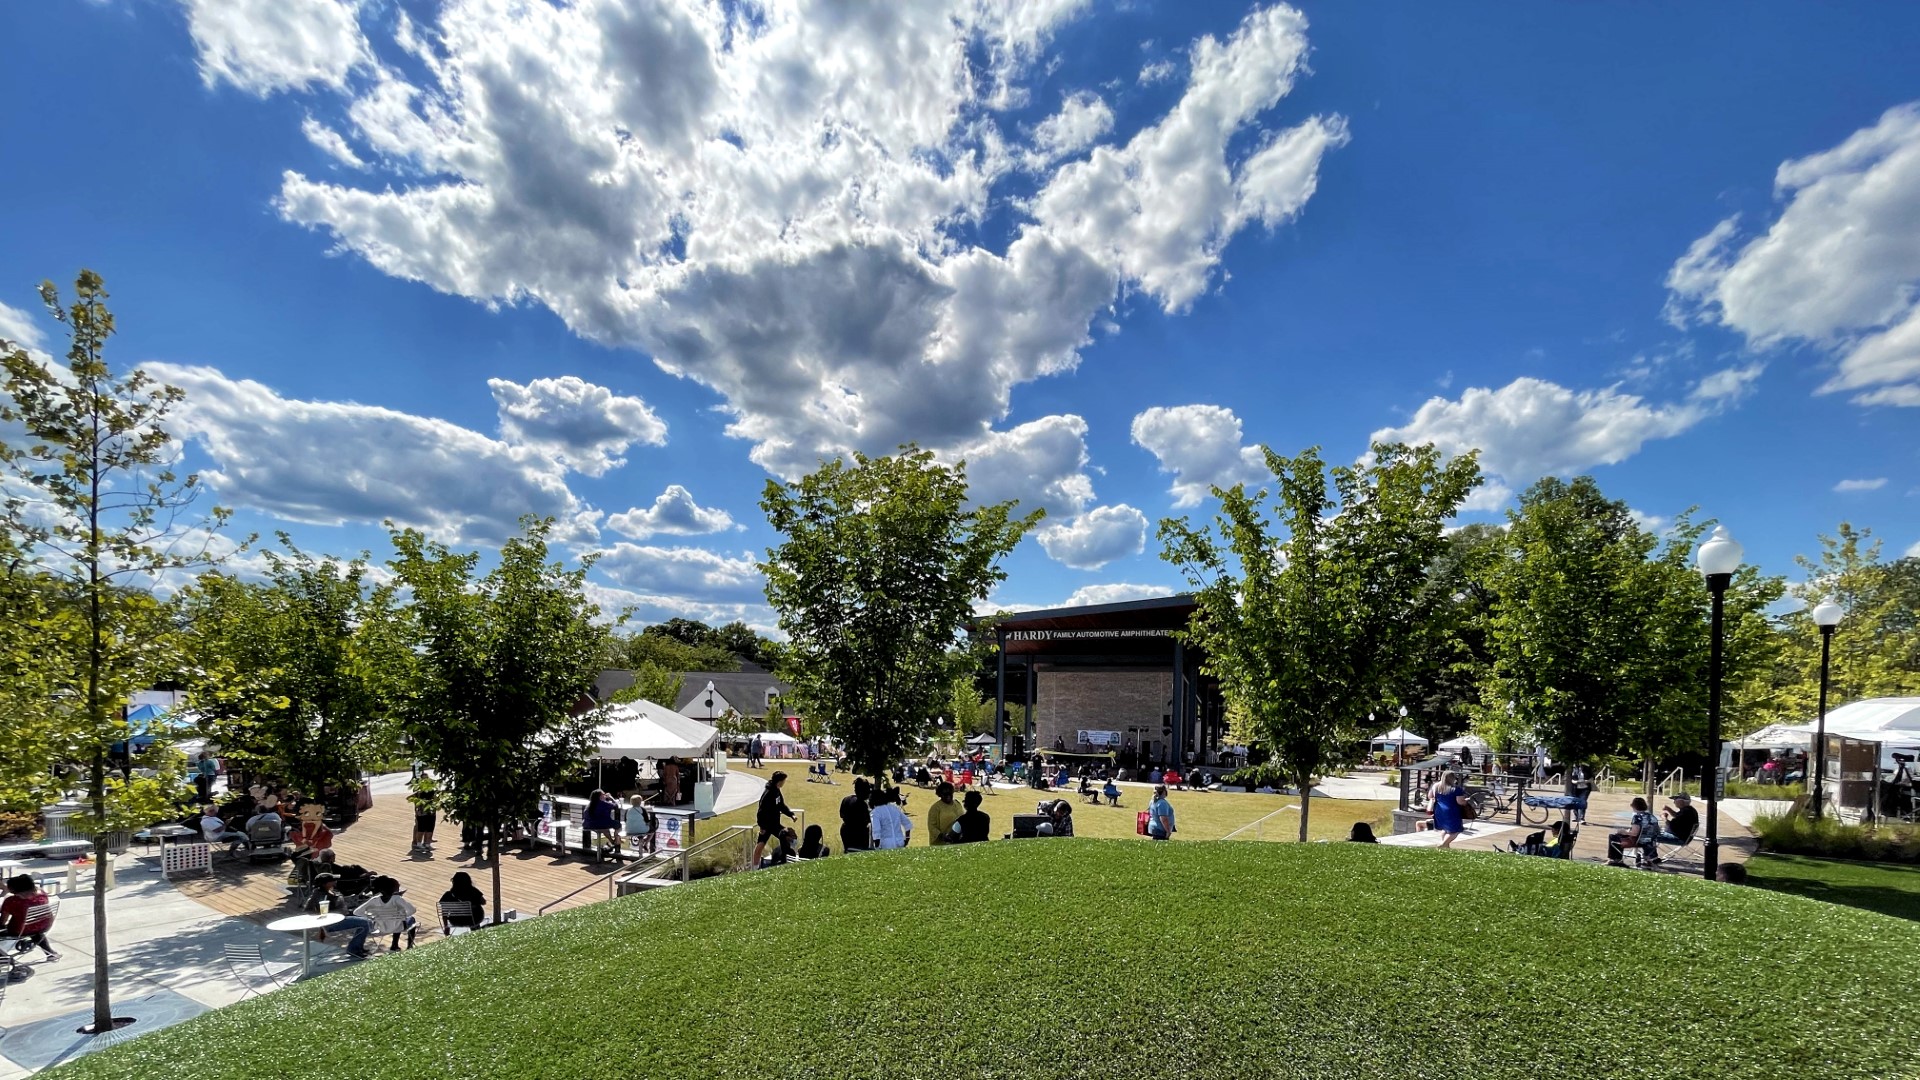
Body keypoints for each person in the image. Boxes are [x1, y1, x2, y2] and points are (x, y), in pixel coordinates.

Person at [305, 873, 374, 958]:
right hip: (332, 922)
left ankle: (357, 947)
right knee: (365, 923)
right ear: (325, 884)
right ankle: (353, 949)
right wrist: (322, 916)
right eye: (332, 880)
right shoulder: (320, 895)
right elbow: (308, 910)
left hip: (342, 917)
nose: (335, 881)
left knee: (366, 921)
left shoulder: (332, 891)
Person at [1, 874, 58, 962]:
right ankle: (50, 953)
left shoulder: (12, 901)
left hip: (19, 930)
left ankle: (3, 957)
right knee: (34, 928)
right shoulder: (42, 893)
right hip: (43, 926)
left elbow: (2, 922)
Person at [354, 876, 419, 952]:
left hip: (381, 927)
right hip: (398, 926)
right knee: (410, 919)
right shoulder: (397, 899)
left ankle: (395, 945)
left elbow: (356, 912)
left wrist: (372, 917)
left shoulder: (374, 900)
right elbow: (412, 910)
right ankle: (409, 946)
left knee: (395, 921)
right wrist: (402, 916)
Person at [752, 771, 796, 866]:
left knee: (788, 837)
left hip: (775, 824)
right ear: (779, 781)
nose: (784, 783)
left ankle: (786, 859)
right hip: (767, 825)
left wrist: (791, 814)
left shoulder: (777, 790)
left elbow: (781, 805)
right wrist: (762, 826)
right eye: (784, 781)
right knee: (760, 845)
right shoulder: (768, 794)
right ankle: (754, 867)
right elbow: (761, 811)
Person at [1607, 797, 1661, 866]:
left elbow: (1635, 833)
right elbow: (1657, 830)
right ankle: (1616, 860)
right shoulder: (1652, 817)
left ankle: (1614, 859)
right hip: (1650, 842)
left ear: (1634, 806)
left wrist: (1624, 832)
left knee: (1613, 837)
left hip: (1638, 841)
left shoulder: (1637, 817)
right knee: (1619, 836)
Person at [1429, 771, 1467, 849]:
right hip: (1451, 811)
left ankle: (1446, 847)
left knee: (1445, 829)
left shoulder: (1436, 786)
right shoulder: (1456, 789)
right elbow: (1460, 802)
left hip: (1439, 810)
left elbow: (1430, 796)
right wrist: (1466, 801)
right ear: (1452, 778)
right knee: (1455, 831)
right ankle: (1443, 844)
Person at [584, 789, 622, 858]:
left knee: (605, 829)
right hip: (599, 824)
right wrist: (611, 797)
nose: (605, 796)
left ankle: (612, 842)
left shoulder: (590, 804)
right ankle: (616, 838)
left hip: (588, 825)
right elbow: (616, 805)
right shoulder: (602, 803)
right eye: (604, 794)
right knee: (618, 825)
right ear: (600, 796)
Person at [840, 778, 873, 852]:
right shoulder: (862, 805)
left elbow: (841, 815)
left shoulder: (846, 799)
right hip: (858, 834)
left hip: (845, 831)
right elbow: (868, 820)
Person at [409, 783, 438, 853]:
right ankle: (422, 844)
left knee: (426, 829)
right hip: (425, 813)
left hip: (427, 812)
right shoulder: (421, 792)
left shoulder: (429, 792)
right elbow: (409, 798)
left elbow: (437, 799)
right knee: (424, 829)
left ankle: (425, 844)